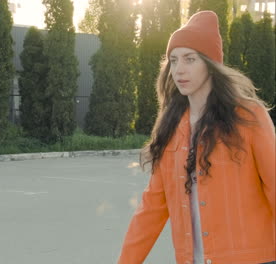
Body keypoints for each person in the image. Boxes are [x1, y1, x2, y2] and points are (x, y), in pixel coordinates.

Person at [117, 11, 275, 264]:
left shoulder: (248, 116)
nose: (179, 70)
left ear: (210, 64)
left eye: (190, 59)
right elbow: (152, 207)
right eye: (174, 60)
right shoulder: (170, 128)